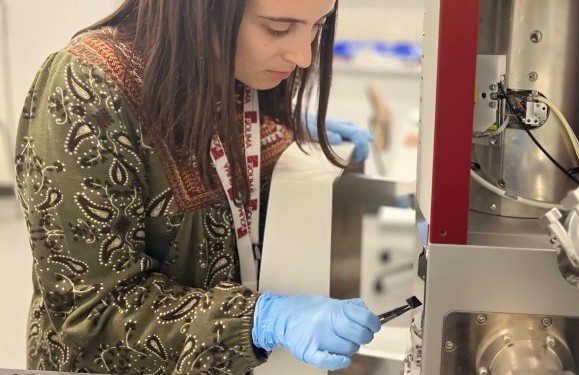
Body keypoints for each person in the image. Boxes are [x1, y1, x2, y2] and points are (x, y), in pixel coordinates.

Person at [14, 0, 380, 373]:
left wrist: (286, 134)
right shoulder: (86, 88)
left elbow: (236, 174)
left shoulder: (232, 69)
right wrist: (256, 321)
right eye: (277, 29)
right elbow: (93, 312)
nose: (303, 56)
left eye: (318, 25)